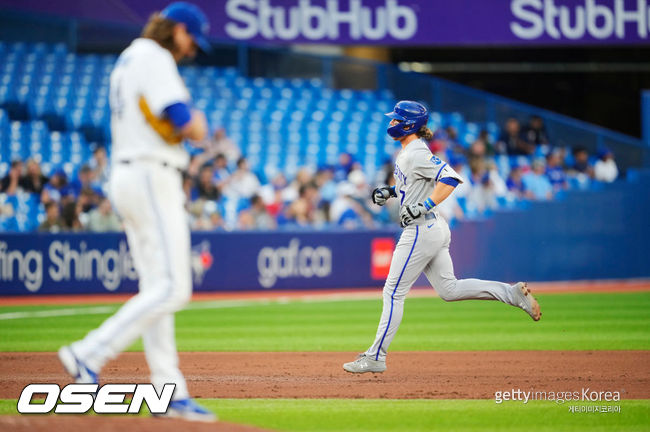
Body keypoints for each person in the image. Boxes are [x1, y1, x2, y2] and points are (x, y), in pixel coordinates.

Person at [57, 2, 215, 422]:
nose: (191, 49)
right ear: (177, 29)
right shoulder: (154, 55)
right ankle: (88, 352)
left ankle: (170, 391)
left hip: (131, 172)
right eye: (190, 38)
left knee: (156, 290)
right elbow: (184, 121)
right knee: (174, 288)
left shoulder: (131, 57)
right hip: (150, 174)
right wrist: (197, 123)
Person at [343, 101, 541, 374]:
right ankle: (510, 293)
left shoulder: (416, 153)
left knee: (392, 292)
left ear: (408, 124)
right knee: (449, 290)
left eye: (395, 119)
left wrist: (423, 206)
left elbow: (449, 179)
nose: (391, 123)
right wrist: (391, 192)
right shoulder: (409, 153)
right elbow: (413, 185)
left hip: (421, 229)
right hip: (432, 228)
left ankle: (376, 356)